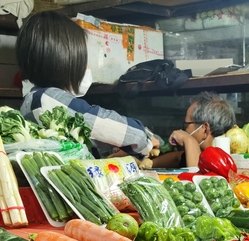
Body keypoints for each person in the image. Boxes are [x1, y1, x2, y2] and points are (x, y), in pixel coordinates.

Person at [16, 11, 158, 167]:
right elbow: (103, 123)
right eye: (82, 60)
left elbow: (92, 134)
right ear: (65, 61)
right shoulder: (46, 99)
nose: (87, 68)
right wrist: (145, 138)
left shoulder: (33, 99)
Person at [169, 92, 236, 167]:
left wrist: (188, 140)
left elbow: (196, 175)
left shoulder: (222, 163)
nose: (184, 130)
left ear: (204, 129)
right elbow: (177, 158)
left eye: (187, 124)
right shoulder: (188, 156)